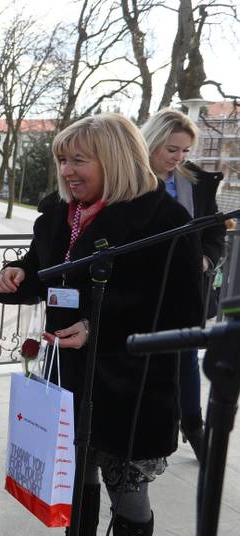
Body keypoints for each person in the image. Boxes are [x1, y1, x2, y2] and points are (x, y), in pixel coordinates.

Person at [0, 113, 203, 536]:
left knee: (127, 492)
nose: (67, 171)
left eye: (79, 161)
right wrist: (15, 275)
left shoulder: (165, 220)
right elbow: (43, 271)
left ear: (115, 159)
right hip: (67, 378)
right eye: (63, 160)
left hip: (130, 385)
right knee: (75, 478)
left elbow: (185, 311)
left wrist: (98, 327)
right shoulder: (57, 212)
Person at [140, 108, 224, 463]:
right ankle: (147, 424)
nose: (179, 158)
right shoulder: (129, 178)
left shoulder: (196, 183)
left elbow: (215, 231)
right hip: (142, 291)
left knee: (187, 356)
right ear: (153, 142)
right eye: (172, 150)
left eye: (186, 151)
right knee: (143, 356)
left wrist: (205, 259)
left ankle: (192, 424)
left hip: (187, 289)